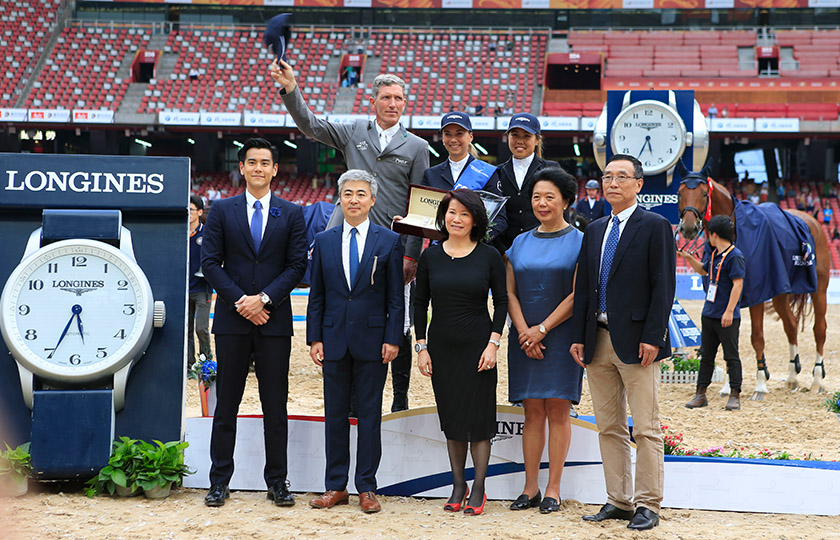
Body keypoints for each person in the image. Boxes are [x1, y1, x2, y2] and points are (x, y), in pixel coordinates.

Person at [569, 154, 676, 531]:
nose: (612, 183)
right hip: (596, 340)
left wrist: (653, 336)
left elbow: (664, 287)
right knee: (609, 427)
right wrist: (579, 336)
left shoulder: (655, 226)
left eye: (621, 177)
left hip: (637, 342)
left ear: (638, 184)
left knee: (645, 427)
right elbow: (585, 288)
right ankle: (618, 500)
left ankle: (648, 504)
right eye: (607, 177)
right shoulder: (595, 229)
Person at [201, 137, 309, 508]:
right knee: (226, 405)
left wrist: (262, 299)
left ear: (275, 169)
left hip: (273, 321)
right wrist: (241, 302)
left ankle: (277, 481)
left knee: (275, 406)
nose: (258, 168)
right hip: (232, 322)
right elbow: (210, 263)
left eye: (265, 162)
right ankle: (219, 481)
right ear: (242, 167)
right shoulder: (221, 210)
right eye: (252, 162)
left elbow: (297, 265)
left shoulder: (292, 213)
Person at [270, 60, 428, 282]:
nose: (392, 104)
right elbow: (312, 126)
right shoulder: (356, 130)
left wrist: (411, 255)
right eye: (386, 98)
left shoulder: (418, 146)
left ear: (404, 103)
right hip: (344, 230)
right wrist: (291, 88)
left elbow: (419, 205)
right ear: (373, 102)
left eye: (398, 98)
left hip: (390, 237)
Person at [306, 170, 404, 514]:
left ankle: (367, 487)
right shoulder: (324, 240)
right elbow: (317, 296)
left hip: (374, 341)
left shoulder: (388, 241)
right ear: (340, 199)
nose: (354, 199)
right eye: (348, 193)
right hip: (333, 339)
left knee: (369, 416)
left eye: (361, 194)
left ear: (372, 200)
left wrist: (393, 338)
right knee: (334, 415)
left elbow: (395, 298)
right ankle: (335, 486)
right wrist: (314, 338)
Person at [414, 189, 507, 516]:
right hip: (441, 349)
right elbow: (419, 304)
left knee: (479, 421)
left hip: (479, 347)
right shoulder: (430, 257)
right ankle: (458, 485)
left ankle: (478, 487)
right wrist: (421, 347)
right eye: (452, 212)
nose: (457, 219)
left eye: (465, 214)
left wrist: (493, 343)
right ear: (444, 216)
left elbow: (502, 302)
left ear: (475, 220)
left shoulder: (489, 256)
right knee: (452, 420)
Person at [505, 167, 584, 514]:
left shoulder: (581, 242)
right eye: (537, 196)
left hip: (562, 337)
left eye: (550, 197)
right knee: (532, 411)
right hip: (524, 338)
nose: (542, 203)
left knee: (558, 410)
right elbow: (509, 291)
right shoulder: (519, 242)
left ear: (565, 201)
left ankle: (553, 488)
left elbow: (578, 294)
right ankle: (530, 487)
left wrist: (542, 329)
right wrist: (526, 331)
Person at [678, 215, 745, 411]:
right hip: (709, 314)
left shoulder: (735, 256)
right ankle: (700, 394)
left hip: (727, 316)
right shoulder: (715, 254)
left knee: (731, 356)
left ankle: (735, 395)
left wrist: (729, 311)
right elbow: (703, 271)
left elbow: (738, 284)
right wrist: (689, 258)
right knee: (706, 356)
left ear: (714, 235)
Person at [422, 111, 507, 242]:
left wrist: (478, 240)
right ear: (442, 138)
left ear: (470, 137)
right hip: (440, 247)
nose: (453, 139)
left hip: (475, 247)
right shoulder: (431, 174)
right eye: (447, 134)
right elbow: (423, 216)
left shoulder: (487, 173)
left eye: (459, 134)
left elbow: (500, 219)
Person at [494, 113, 560, 254]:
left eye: (526, 136)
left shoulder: (552, 169)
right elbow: (494, 217)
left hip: (544, 249)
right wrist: (503, 252)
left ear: (537, 140)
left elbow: (560, 212)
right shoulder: (496, 172)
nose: (520, 141)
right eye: (515, 135)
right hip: (506, 252)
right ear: (508, 137)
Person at [188, 195, 212, 369]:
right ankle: (189, 364)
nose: (188, 213)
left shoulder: (207, 235)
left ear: (200, 212)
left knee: (201, 328)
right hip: (184, 289)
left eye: (191, 210)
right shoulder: (179, 233)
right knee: (186, 330)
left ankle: (206, 363)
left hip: (202, 289)